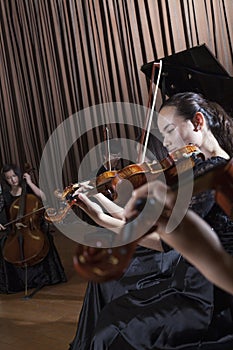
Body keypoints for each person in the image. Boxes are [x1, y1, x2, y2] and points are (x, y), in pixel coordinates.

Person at [72, 92, 233, 349]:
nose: (166, 143)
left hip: (206, 299)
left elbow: (162, 241)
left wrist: (101, 217)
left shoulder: (210, 172)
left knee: (112, 328)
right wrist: (102, 214)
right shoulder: (211, 167)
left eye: (169, 131)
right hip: (195, 284)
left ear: (198, 122)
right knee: (114, 316)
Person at [68, 133, 183, 350]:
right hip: (148, 247)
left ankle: (107, 336)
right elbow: (126, 216)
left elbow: (153, 234)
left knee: (108, 279)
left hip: (163, 256)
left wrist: (101, 217)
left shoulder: (173, 187)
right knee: (98, 280)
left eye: (141, 154)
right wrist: (95, 196)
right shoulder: (149, 183)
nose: (137, 162)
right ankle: (91, 340)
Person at [0, 163, 67, 294]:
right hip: (14, 230)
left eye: (14, 176)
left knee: (45, 238)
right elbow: (3, 213)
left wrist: (29, 182)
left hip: (32, 226)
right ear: (5, 180)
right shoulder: (6, 195)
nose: (13, 180)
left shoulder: (27, 188)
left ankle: (47, 277)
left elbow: (43, 197)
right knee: (3, 246)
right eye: (9, 178)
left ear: (19, 175)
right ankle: (18, 282)